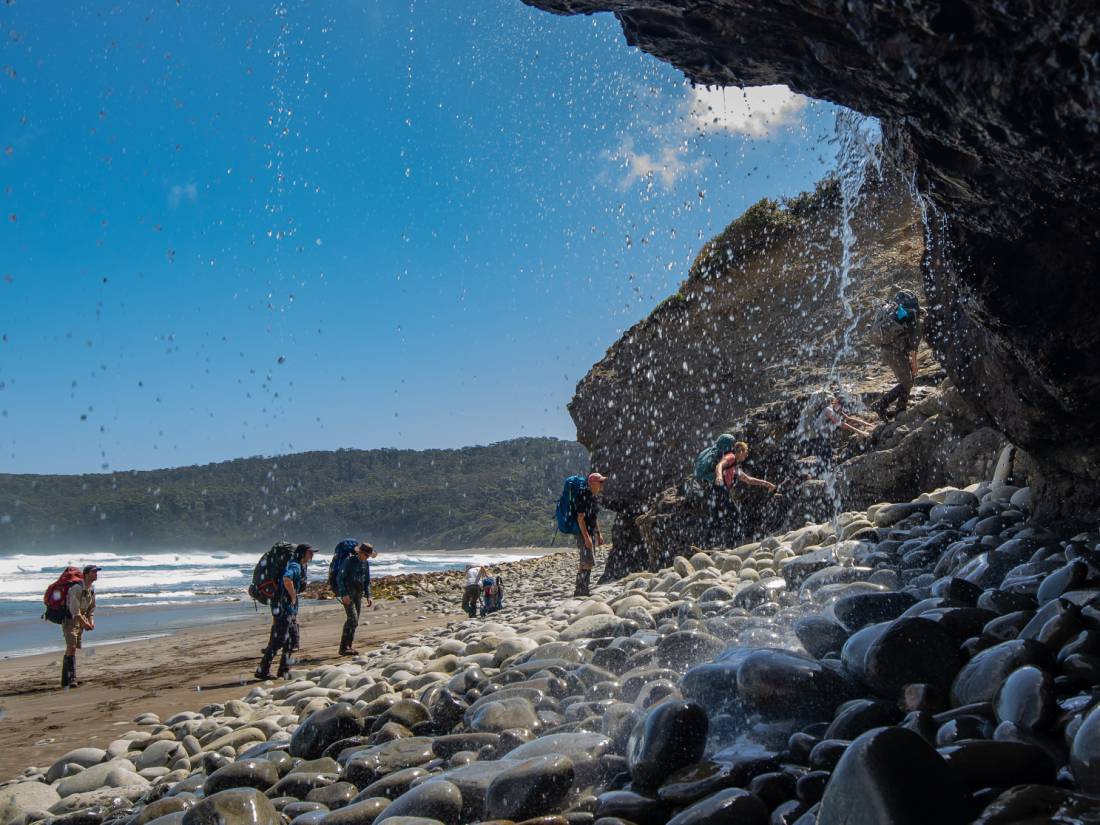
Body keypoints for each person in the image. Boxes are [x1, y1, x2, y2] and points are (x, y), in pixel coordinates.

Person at [255, 543, 313, 680]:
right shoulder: (295, 565)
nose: (312, 555)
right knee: (279, 640)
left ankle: (283, 670)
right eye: (310, 552)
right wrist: (293, 596)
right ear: (302, 553)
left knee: (291, 640)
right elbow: (287, 579)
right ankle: (263, 670)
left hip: (287, 608)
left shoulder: (298, 564)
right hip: (283, 608)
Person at [869, 288, 923, 420]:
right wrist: (914, 365)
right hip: (894, 352)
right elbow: (913, 348)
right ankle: (882, 404)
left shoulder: (898, 313)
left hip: (888, 350)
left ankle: (900, 409)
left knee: (908, 380)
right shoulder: (915, 321)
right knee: (907, 381)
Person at [61, 565, 99, 688]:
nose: (96, 574)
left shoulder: (91, 589)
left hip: (80, 621)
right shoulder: (76, 589)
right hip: (70, 621)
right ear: (86, 574)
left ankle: (66, 679)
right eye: (94, 572)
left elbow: (91, 609)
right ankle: (71, 679)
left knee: (73, 648)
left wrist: (91, 621)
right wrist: (86, 624)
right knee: (71, 647)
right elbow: (74, 611)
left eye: (96, 572)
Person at [337, 542, 374, 656]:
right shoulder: (349, 561)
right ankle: (343, 647)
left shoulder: (365, 564)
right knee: (352, 618)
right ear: (360, 552)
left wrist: (369, 595)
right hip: (348, 594)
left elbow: (367, 581)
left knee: (355, 621)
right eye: (366, 555)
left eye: (368, 556)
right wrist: (344, 594)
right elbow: (340, 578)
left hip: (358, 594)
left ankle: (349, 645)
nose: (367, 558)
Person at [573, 472, 605, 598]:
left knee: (586, 561)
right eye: (600, 482)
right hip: (582, 533)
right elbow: (580, 518)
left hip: (590, 532)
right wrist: (586, 537)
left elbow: (594, 518)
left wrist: (598, 534)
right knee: (587, 562)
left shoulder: (595, 497)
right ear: (592, 483)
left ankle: (581, 589)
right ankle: (582, 590)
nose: (602, 484)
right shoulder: (583, 495)